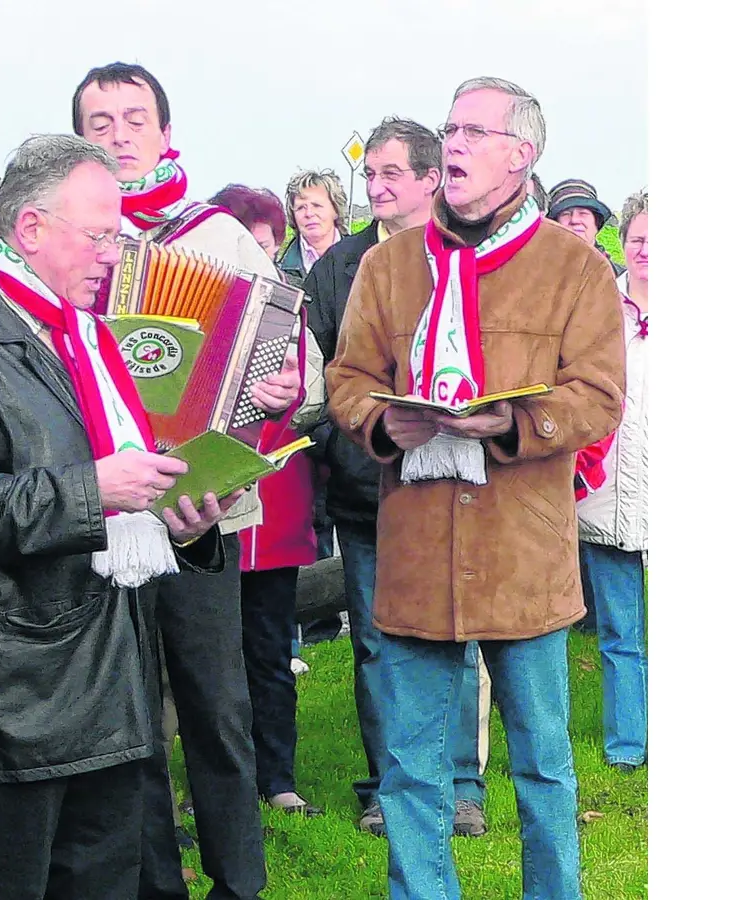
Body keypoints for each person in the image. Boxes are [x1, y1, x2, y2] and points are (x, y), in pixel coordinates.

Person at [0, 133, 242, 900]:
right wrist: (93, 489)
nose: (115, 254)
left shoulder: (78, 330)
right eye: (100, 235)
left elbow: (120, 474)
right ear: (33, 229)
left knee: (106, 878)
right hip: (17, 693)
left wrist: (186, 521)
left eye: (118, 234)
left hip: (109, 671)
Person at [325, 77, 626, 900]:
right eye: (449, 128)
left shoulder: (575, 268)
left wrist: (514, 423)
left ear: (521, 155)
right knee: (411, 767)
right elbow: (347, 379)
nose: (452, 143)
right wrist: (387, 424)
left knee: (543, 765)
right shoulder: (388, 265)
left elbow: (598, 395)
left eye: (474, 132)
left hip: (523, 555)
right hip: (416, 550)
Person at [72, 60, 311, 900]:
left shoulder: (216, 235)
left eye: (133, 118)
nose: (118, 134)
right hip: (100, 514)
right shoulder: (70, 242)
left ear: (166, 133)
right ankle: (152, 882)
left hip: (201, 509)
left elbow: (301, 359)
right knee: (126, 717)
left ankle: (239, 882)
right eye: (98, 123)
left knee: (216, 707)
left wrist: (285, 385)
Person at [301, 114, 491, 840]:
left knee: (459, 632)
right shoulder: (336, 268)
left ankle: (461, 783)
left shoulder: (471, 254)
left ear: (429, 179)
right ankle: (389, 784)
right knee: (378, 641)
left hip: (457, 486)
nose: (374, 187)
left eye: (389, 174)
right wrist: (343, 439)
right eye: (368, 174)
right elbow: (318, 376)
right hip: (366, 488)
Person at [207, 183, 325, 817]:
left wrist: (294, 393)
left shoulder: (290, 310)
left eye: (262, 243)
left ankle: (277, 775)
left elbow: (314, 390)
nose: (253, 255)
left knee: (271, 649)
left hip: (273, 501)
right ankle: (218, 780)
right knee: (210, 657)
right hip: (207, 507)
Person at [576, 188, 648, 773]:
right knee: (619, 633)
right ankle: (629, 745)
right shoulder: (600, 306)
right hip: (609, 497)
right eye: (639, 240)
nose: (648, 251)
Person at [278, 170, 350, 287]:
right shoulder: (280, 271)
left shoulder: (363, 259)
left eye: (317, 205)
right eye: (301, 207)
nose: (309, 213)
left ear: (336, 210)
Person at [547, 177, 625, 277]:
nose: (574, 220)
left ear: (596, 223)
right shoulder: (535, 272)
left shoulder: (622, 279)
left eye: (583, 213)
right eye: (566, 214)